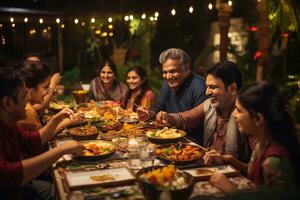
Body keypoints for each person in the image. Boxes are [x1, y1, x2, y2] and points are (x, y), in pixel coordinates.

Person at [0, 68, 84, 199]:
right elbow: (9, 175)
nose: (28, 99)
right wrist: (61, 150)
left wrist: (56, 120)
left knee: (61, 187)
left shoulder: (9, 124)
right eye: (23, 96)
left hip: (17, 188)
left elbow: (31, 140)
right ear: (8, 103)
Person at [208, 82, 300, 192]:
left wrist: (230, 189)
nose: (234, 114)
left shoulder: (275, 162)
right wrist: (230, 160)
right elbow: (255, 171)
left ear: (258, 119)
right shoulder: (262, 144)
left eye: (239, 110)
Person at [156, 61, 254, 162]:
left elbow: (255, 170)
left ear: (232, 88)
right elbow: (186, 119)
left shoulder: (247, 115)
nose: (207, 92)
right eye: (207, 87)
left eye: (213, 87)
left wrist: (229, 160)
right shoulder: (209, 105)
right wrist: (168, 117)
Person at [137, 48, 207, 143]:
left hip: (192, 142)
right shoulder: (167, 84)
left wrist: (170, 118)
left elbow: (197, 118)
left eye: (173, 71)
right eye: (165, 72)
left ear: (187, 68)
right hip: (169, 137)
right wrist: (149, 114)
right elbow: (158, 107)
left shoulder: (199, 85)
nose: (168, 76)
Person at [16, 61, 82, 133]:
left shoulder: (29, 106)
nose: (49, 91)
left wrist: (58, 119)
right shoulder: (27, 111)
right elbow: (40, 139)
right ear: (29, 89)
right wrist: (65, 122)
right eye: (45, 87)